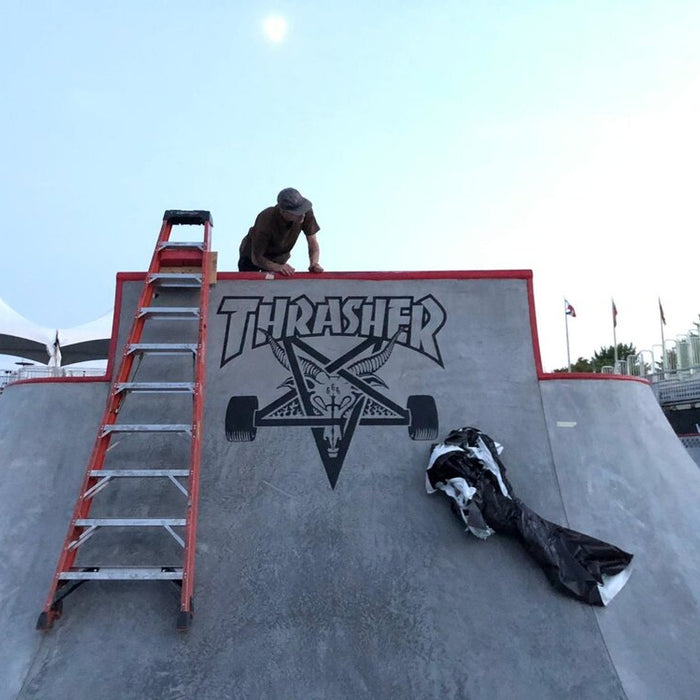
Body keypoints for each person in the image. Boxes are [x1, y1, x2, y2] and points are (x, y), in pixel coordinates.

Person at [238, 187, 324, 276]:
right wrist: (277, 267)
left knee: (277, 280)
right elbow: (256, 258)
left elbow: (312, 241)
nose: (302, 215)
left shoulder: (306, 212)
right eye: (297, 213)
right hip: (251, 256)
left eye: (302, 210)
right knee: (250, 279)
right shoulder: (266, 219)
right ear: (283, 212)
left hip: (279, 257)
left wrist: (314, 263)